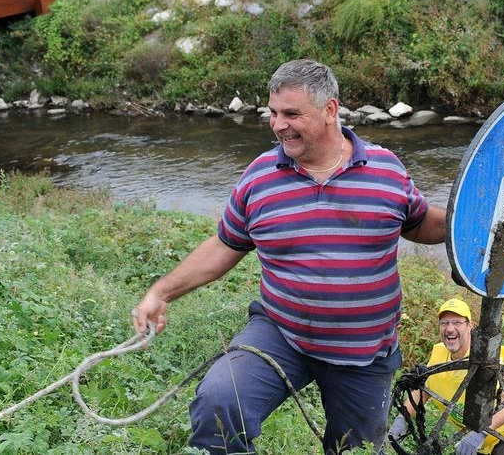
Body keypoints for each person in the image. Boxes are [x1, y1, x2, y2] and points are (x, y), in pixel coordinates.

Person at [131, 58, 446, 454]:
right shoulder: (260, 176)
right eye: (274, 113)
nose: (279, 125)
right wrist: (161, 293)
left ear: (330, 110)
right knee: (218, 403)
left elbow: (419, 223)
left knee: (357, 449)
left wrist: (464, 224)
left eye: (292, 114)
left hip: (363, 352)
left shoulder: (385, 169)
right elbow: (224, 245)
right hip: (281, 334)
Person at [389, 298, 504, 455]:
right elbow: (425, 390)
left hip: (502, 438)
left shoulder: (489, 359)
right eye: (444, 323)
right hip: (468, 441)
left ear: (470, 326)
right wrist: (402, 418)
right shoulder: (439, 354)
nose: (450, 329)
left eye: (457, 323)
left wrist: (481, 433)